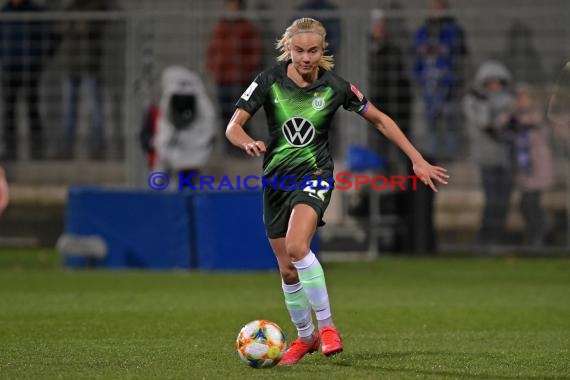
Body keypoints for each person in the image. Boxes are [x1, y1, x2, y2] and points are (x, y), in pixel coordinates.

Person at [225, 17, 449, 365]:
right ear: (289, 48)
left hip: (315, 174)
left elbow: (380, 119)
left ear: (322, 50)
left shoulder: (335, 87)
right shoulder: (268, 80)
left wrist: (416, 159)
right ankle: (305, 337)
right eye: (299, 50)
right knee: (286, 270)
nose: (305, 57)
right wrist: (247, 142)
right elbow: (232, 127)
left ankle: (328, 328)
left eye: (313, 50)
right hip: (276, 181)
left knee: (299, 247)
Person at [463, 60, 514, 245]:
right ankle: (487, 237)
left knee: (504, 199)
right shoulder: (474, 101)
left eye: (497, 82)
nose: (494, 86)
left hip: (506, 159)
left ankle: (499, 235)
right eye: (489, 82)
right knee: (492, 199)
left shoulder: (508, 100)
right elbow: (484, 125)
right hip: (486, 158)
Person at [140, 66, 216, 188]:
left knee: (191, 189)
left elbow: (207, 134)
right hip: (168, 161)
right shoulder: (164, 113)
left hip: (193, 159)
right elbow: (160, 138)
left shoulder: (203, 110)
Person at [0, 0, 57, 160]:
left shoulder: (35, 11)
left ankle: (37, 149)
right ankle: (10, 150)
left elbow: (47, 37)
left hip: (30, 67)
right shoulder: (5, 12)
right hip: (10, 67)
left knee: (32, 109)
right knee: (9, 110)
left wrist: (40, 58)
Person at [413, 0, 469, 162]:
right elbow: (416, 54)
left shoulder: (454, 30)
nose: (435, 11)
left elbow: (460, 53)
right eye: (432, 8)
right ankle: (433, 159)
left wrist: (444, 50)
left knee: (450, 122)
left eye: (438, 8)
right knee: (431, 123)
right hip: (429, 86)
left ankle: (450, 159)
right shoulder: (423, 30)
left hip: (449, 85)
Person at [206, 0, 263, 156]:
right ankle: (229, 148)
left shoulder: (247, 28)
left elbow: (255, 51)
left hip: (241, 78)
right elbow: (212, 51)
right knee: (225, 113)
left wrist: (246, 69)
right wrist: (215, 69)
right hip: (223, 78)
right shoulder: (220, 27)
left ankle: (243, 148)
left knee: (242, 114)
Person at [59, 0, 110, 160]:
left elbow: (91, 26)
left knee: (94, 107)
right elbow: (61, 27)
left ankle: (97, 146)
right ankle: (67, 147)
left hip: (90, 64)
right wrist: (75, 24)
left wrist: (78, 24)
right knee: (69, 109)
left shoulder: (98, 5)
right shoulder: (71, 7)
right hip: (71, 64)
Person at [510, 85, 553, 247]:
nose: (520, 101)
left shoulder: (538, 116)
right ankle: (537, 234)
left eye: (523, 98)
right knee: (525, 205)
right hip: (524, 169)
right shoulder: (515, 117)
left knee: (532, 204)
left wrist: (515, 120)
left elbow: (532, 121)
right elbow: (503, 121)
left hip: (537, 168)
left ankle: (540, 236)